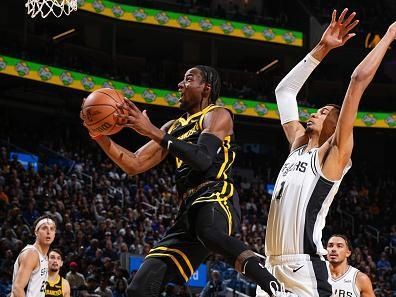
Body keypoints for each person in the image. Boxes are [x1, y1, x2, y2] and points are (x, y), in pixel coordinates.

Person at [82, 65, 295, 297]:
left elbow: (203, 159)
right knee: (138, 289)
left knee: (208, 230)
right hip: (187, 212)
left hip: (216, 194)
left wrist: (151, 131)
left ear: (206, 88)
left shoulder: (218, 114)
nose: (180, 85)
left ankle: (274, 286)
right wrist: (99, 136)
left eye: (188, 79)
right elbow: (134, 164)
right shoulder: (172, 127)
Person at [256, 8, 396, 297]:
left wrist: (390, 35)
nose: (313, 114)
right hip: (270, 266)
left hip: (303, 268)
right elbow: (284, 92)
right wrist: (322, 48)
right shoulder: (297, 145)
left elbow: (357, 81)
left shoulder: (332, 156)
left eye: (322, 112)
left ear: (334, 126)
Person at [11, 216, 56, 297]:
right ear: (36, 232)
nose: (48, 232)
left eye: (52, 229)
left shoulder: (45, 257)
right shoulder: (31, 253)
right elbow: (17, 288)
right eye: (44, 228)